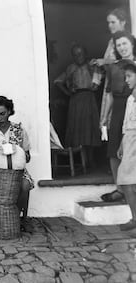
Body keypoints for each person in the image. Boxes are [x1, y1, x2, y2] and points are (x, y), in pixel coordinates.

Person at [90, 8, 127, 202]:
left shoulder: (128, 42)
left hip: (129, 98)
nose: (110, 26)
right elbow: (107, 69)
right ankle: (120, 187)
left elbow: (126, 60)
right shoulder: (110, 43)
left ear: (123, 22)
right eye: (108, 23)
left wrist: (106, 61)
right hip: (114, 95)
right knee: (114, 144)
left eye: (113, 22)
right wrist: (97, 77)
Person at [98, 31, 135, 203]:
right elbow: (111, 94)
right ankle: (120, 189)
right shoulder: (114, 67)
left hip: (133, 108)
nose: (122, 47)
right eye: (118, 45)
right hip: (119, 110)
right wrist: (105, 116)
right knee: (114, 150)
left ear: (132, 44)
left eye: (124, 43)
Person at [55, 44, 101, 166]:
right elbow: (58, 81)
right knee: (78, 130)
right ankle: (83, 161)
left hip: (89, 98)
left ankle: (91, 160)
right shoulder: (70, 68)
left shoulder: (92, 66)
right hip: (76, 100)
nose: (78, 57)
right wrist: (68, 92)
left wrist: (93, 74)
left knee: (90, 128)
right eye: (75, 54)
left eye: (80, 54)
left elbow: (97, 84)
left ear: (85, 54)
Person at [116, 61, 136, 234]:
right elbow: (126, 123)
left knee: (130, 180)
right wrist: (123, 144)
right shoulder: (130, 98)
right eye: (125, 77)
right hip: (129, 140)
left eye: (129, 76)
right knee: (126, 180)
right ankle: (134, 217)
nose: (127, 80)